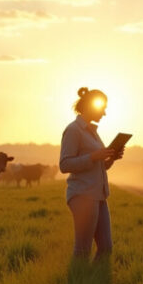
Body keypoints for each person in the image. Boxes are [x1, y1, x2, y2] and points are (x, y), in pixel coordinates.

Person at [59, 87, 124, 259]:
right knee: (83, 249)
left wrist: (111, 159)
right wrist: (94, 156)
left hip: (99, 196)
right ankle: (78, 276)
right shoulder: (73, 130)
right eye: (102, 108)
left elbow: (98, 166)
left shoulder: (93, 132)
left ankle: (93, 276)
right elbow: (64, 164)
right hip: (82, 195)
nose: (104, 113)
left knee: (106, 248)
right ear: (91, 106)